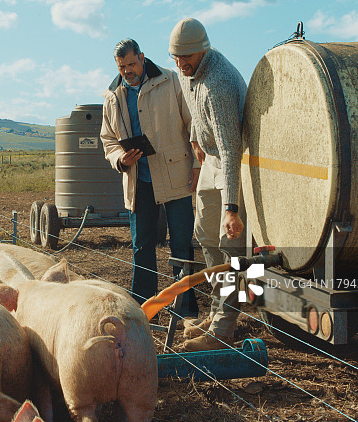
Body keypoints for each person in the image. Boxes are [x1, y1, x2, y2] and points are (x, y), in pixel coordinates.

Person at [100, 38, 199, 318]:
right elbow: (108, 140)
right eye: (122, 66)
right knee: (141, 247)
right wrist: (120, 158)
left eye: (132, 63)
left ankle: (187, 310)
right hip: (137, 181)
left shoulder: (171, 81)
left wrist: (195, 163)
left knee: (180, 244)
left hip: (175, 175)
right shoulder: (112, 96)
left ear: (142, 57)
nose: (128, 70)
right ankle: (143, 311)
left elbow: (193, 124)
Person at [169, 18, 248, 351]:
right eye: (176, 58)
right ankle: (216, 312)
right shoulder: (188, 75)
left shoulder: (219, 84)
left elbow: (231, 150)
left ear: (203, 49)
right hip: (210, 161)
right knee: (205, 238)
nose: (182, 63)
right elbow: (192, 111)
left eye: (188, 56)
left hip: (235, 163)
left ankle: (224, 328)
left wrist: (232, 208)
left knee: (231, 247)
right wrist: (194, 142)